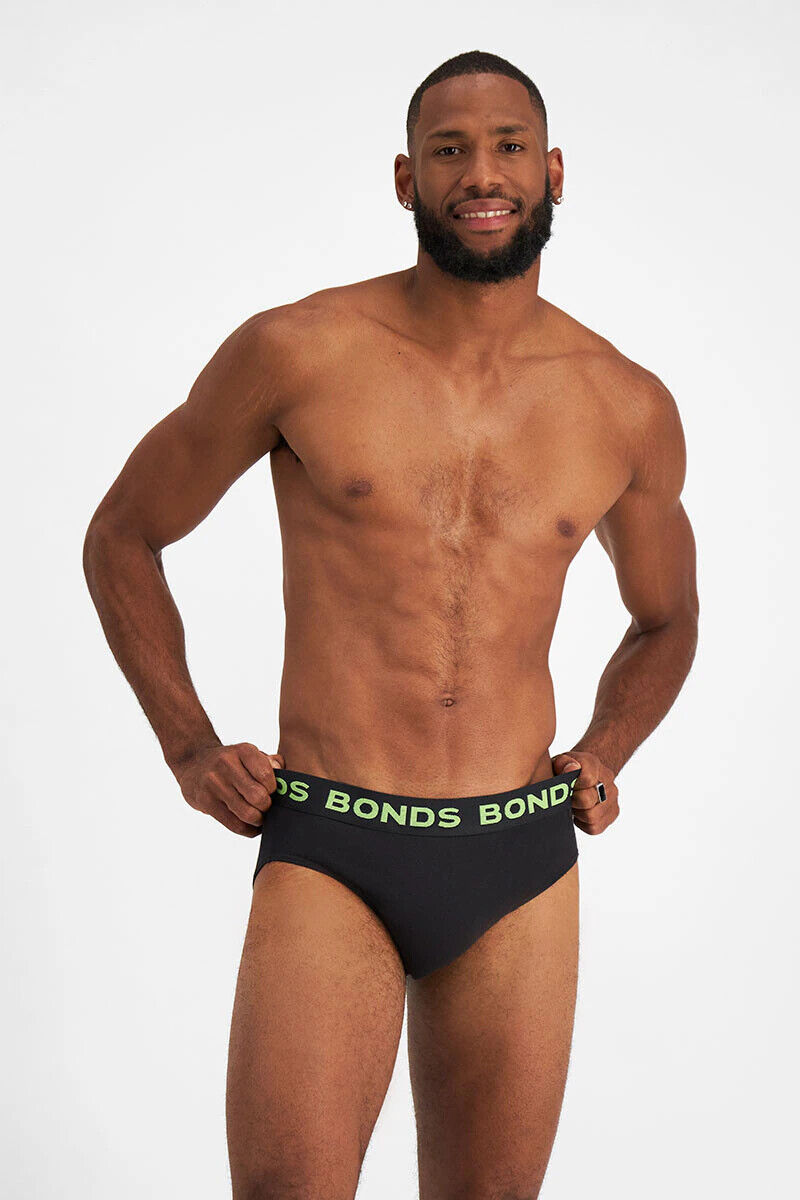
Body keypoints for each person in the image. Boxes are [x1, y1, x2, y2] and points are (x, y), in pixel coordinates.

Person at [83, 49, 698, 1200]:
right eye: (449, 150)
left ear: (553, 171)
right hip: (334, 841)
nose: (482, 174)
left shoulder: (622, 402)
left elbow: (663, 620)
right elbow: (123, 534)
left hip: (517, 853)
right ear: (406, 178)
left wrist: (606, 747)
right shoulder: (297, 352)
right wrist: (187, 744)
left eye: (508, 147)